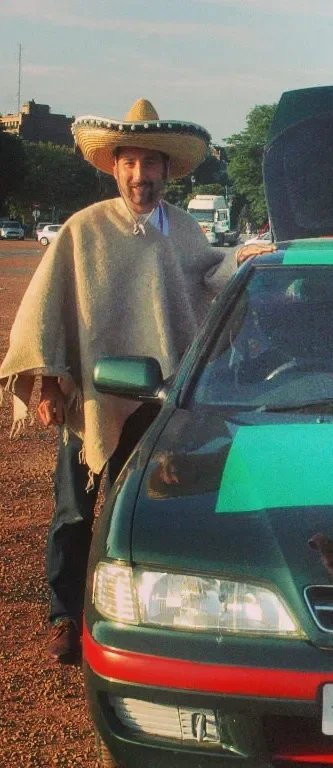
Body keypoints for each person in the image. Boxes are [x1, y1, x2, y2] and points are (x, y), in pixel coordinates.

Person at [0, 98, 246, 664]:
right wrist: (53, 382)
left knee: (159, 506)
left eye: (151, 164)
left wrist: (245, 259)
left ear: (167, 171)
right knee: (76, 511)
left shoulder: (184, 230)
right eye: (130, 164)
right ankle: (66, 616)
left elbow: (211, 280)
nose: (141, 176)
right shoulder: (84, 231)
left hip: (160, 401)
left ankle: (166, 614)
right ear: (115, 169)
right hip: (94, 393)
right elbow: (50, 305)